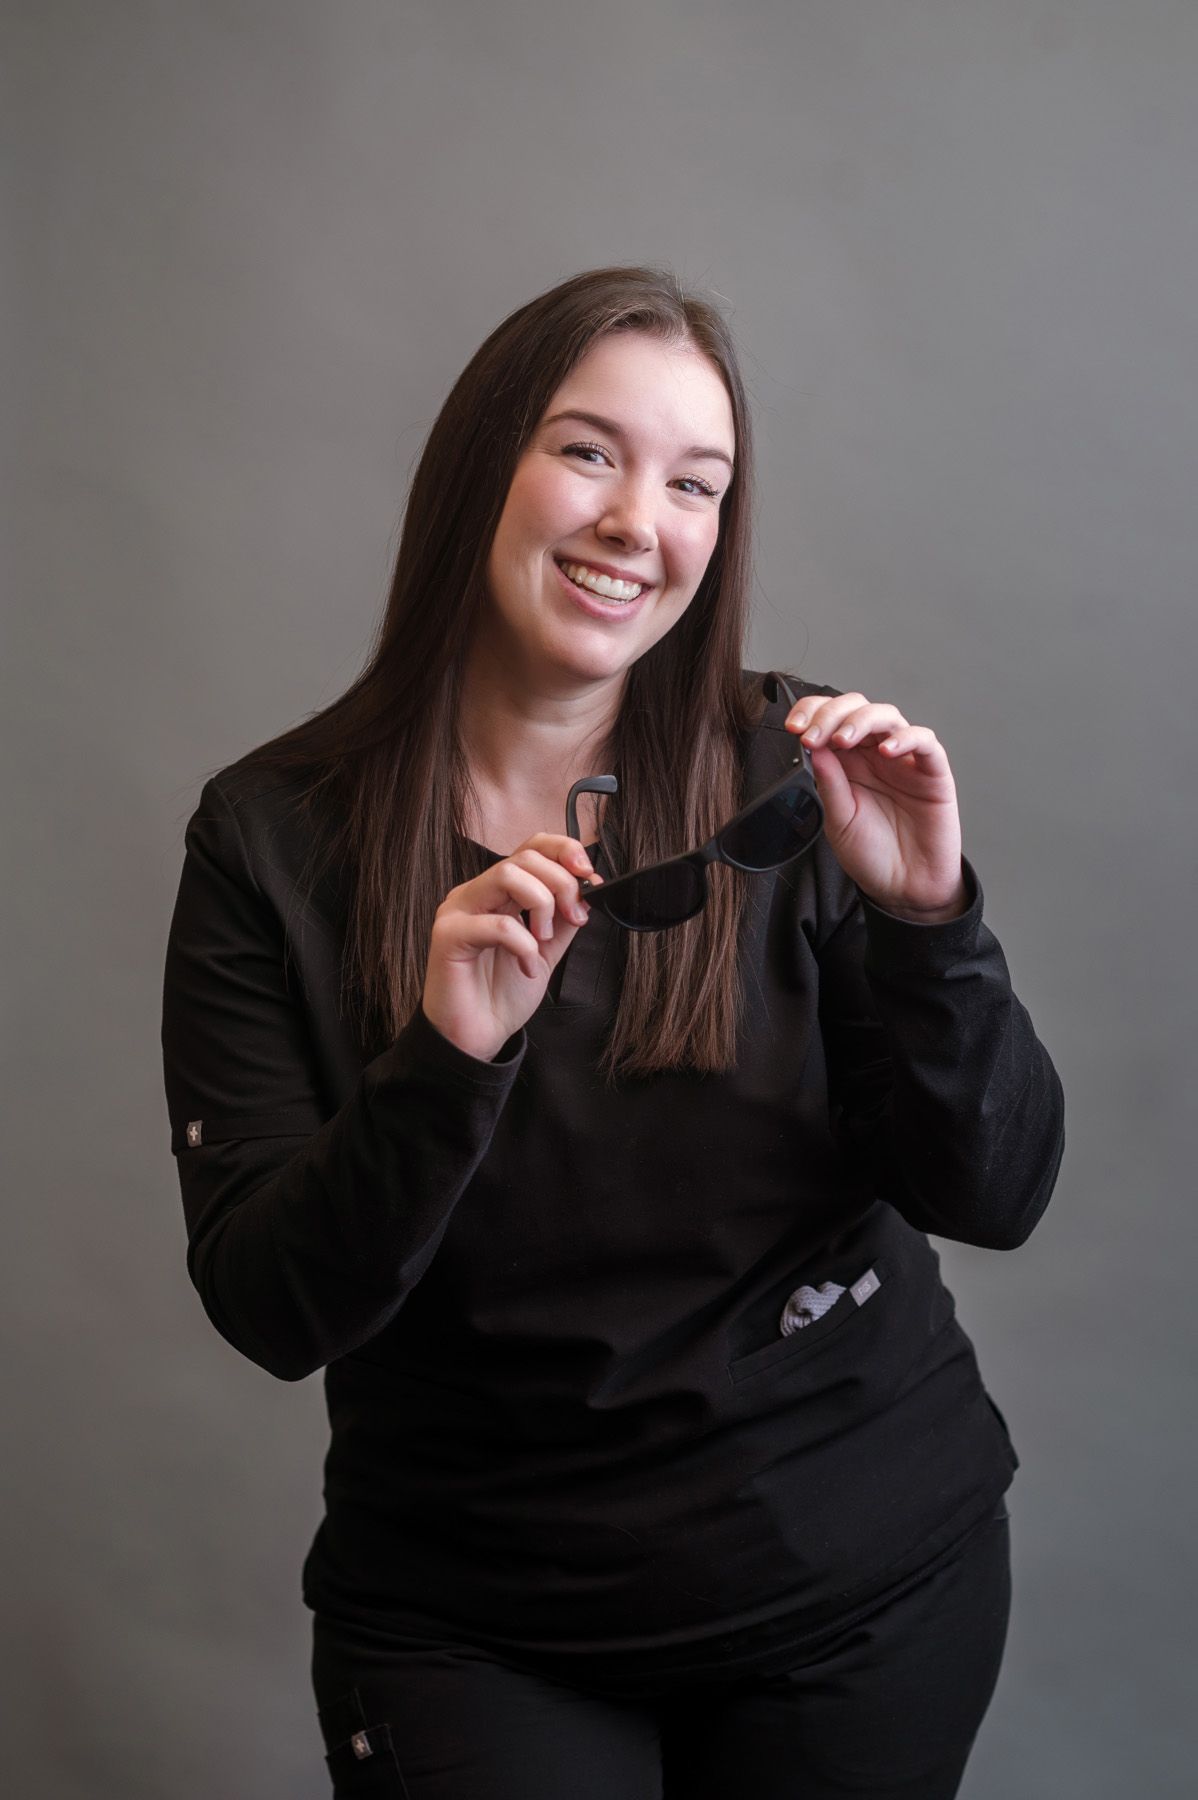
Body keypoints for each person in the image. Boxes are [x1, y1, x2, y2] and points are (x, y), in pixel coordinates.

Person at [161, 265, 1065, 1799]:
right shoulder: (270, 837)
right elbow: (272, 1307)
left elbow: (995, 1193)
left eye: (693, 483)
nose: (639, 521)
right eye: (588, 452)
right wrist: (443, 1064)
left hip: (855, 1583)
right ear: (480, 469)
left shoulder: (800, 782)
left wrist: (929, 924)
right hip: (474, 1620)